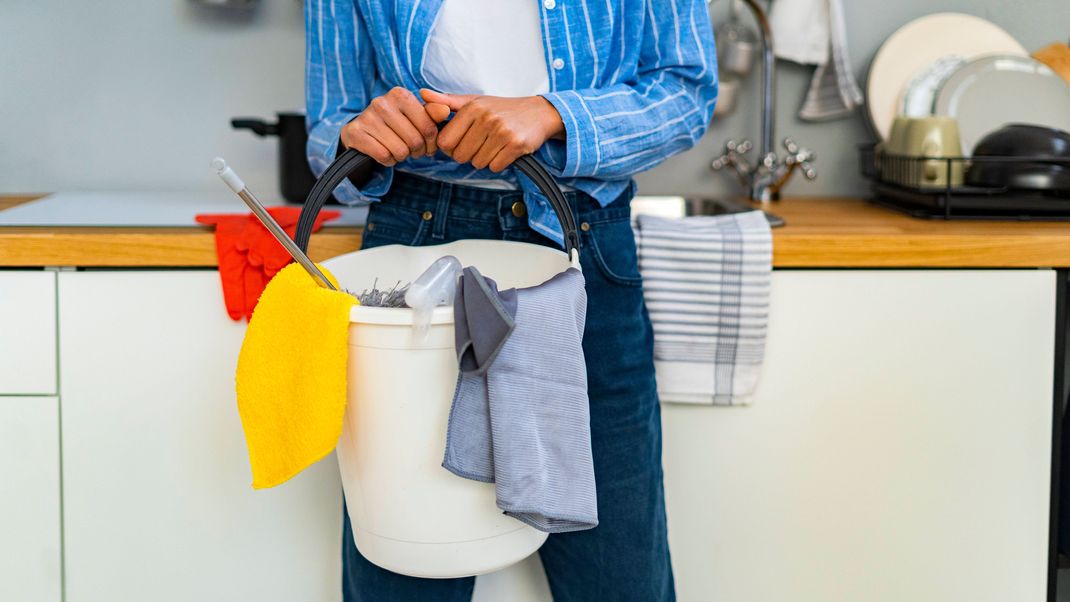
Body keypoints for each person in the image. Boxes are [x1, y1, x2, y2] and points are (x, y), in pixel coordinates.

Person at [305, 1, 717, 599]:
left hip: (581, 243)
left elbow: (688, 90)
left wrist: (555, 114)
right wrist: (360, 134)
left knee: (621, 577)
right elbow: (328, 127)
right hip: (416, 241)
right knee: (403, 568)